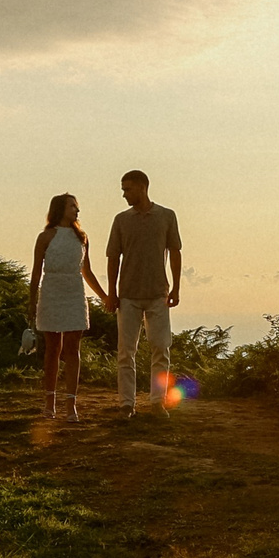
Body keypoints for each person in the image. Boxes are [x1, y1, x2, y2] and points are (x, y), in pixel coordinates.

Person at [27, 192, 110, 420]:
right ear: (60, 209)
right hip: (52, 290)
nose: (77, 210)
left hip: (74, 292)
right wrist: (32, 302)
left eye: (77, 206)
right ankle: (49, 402)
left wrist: (104, 296)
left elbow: (87, 271)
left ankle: (71, 403)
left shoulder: (81, 237)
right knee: (53, 349)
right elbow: (35, 273)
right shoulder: (45, 237)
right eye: (72, 206)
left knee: (73, 349)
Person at [105, 169, 181, 414]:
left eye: (127, 189)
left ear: (141, 187)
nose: (124, 194)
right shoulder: (121, 220)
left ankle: (157, 401)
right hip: (128, 294)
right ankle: (127, 403)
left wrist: (176, 287)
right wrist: (111, 292)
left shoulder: (166, 216)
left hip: (158, 291)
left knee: (161, 346)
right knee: (127, 351)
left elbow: (175, 252)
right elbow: (113, 256)